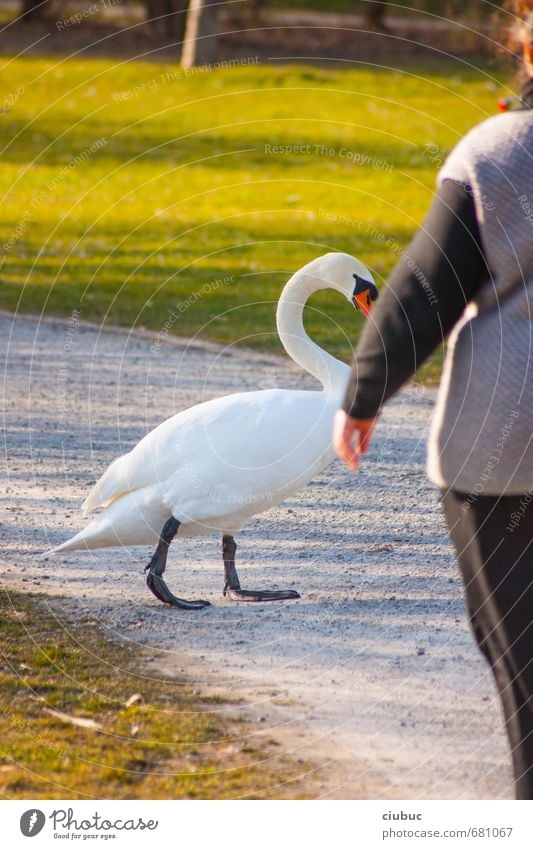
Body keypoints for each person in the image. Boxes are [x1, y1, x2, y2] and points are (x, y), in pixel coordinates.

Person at [333, 6, 533, 800]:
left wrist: (364, 391)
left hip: (501, 447)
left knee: (520, 648)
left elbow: (423, 288)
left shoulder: (496, 151)